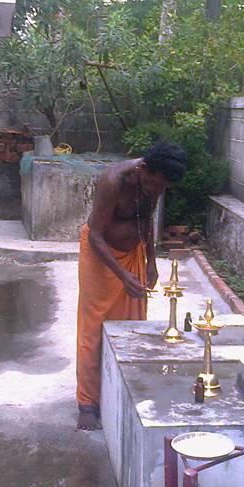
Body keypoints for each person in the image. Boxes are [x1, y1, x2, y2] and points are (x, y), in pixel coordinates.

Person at [76, 141, 187, 430]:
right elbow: (95, 236)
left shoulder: (154, 182)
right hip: (100, 255)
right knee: (94, 328)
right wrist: (123, 276)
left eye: (163, 189)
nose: (157, 192)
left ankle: (124, 390)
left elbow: (147, 221)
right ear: (142, 170)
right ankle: (88, 402)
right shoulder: (113, 180)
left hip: (133, 253)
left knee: (133, 323)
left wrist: (151, 262)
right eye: (155, 186)